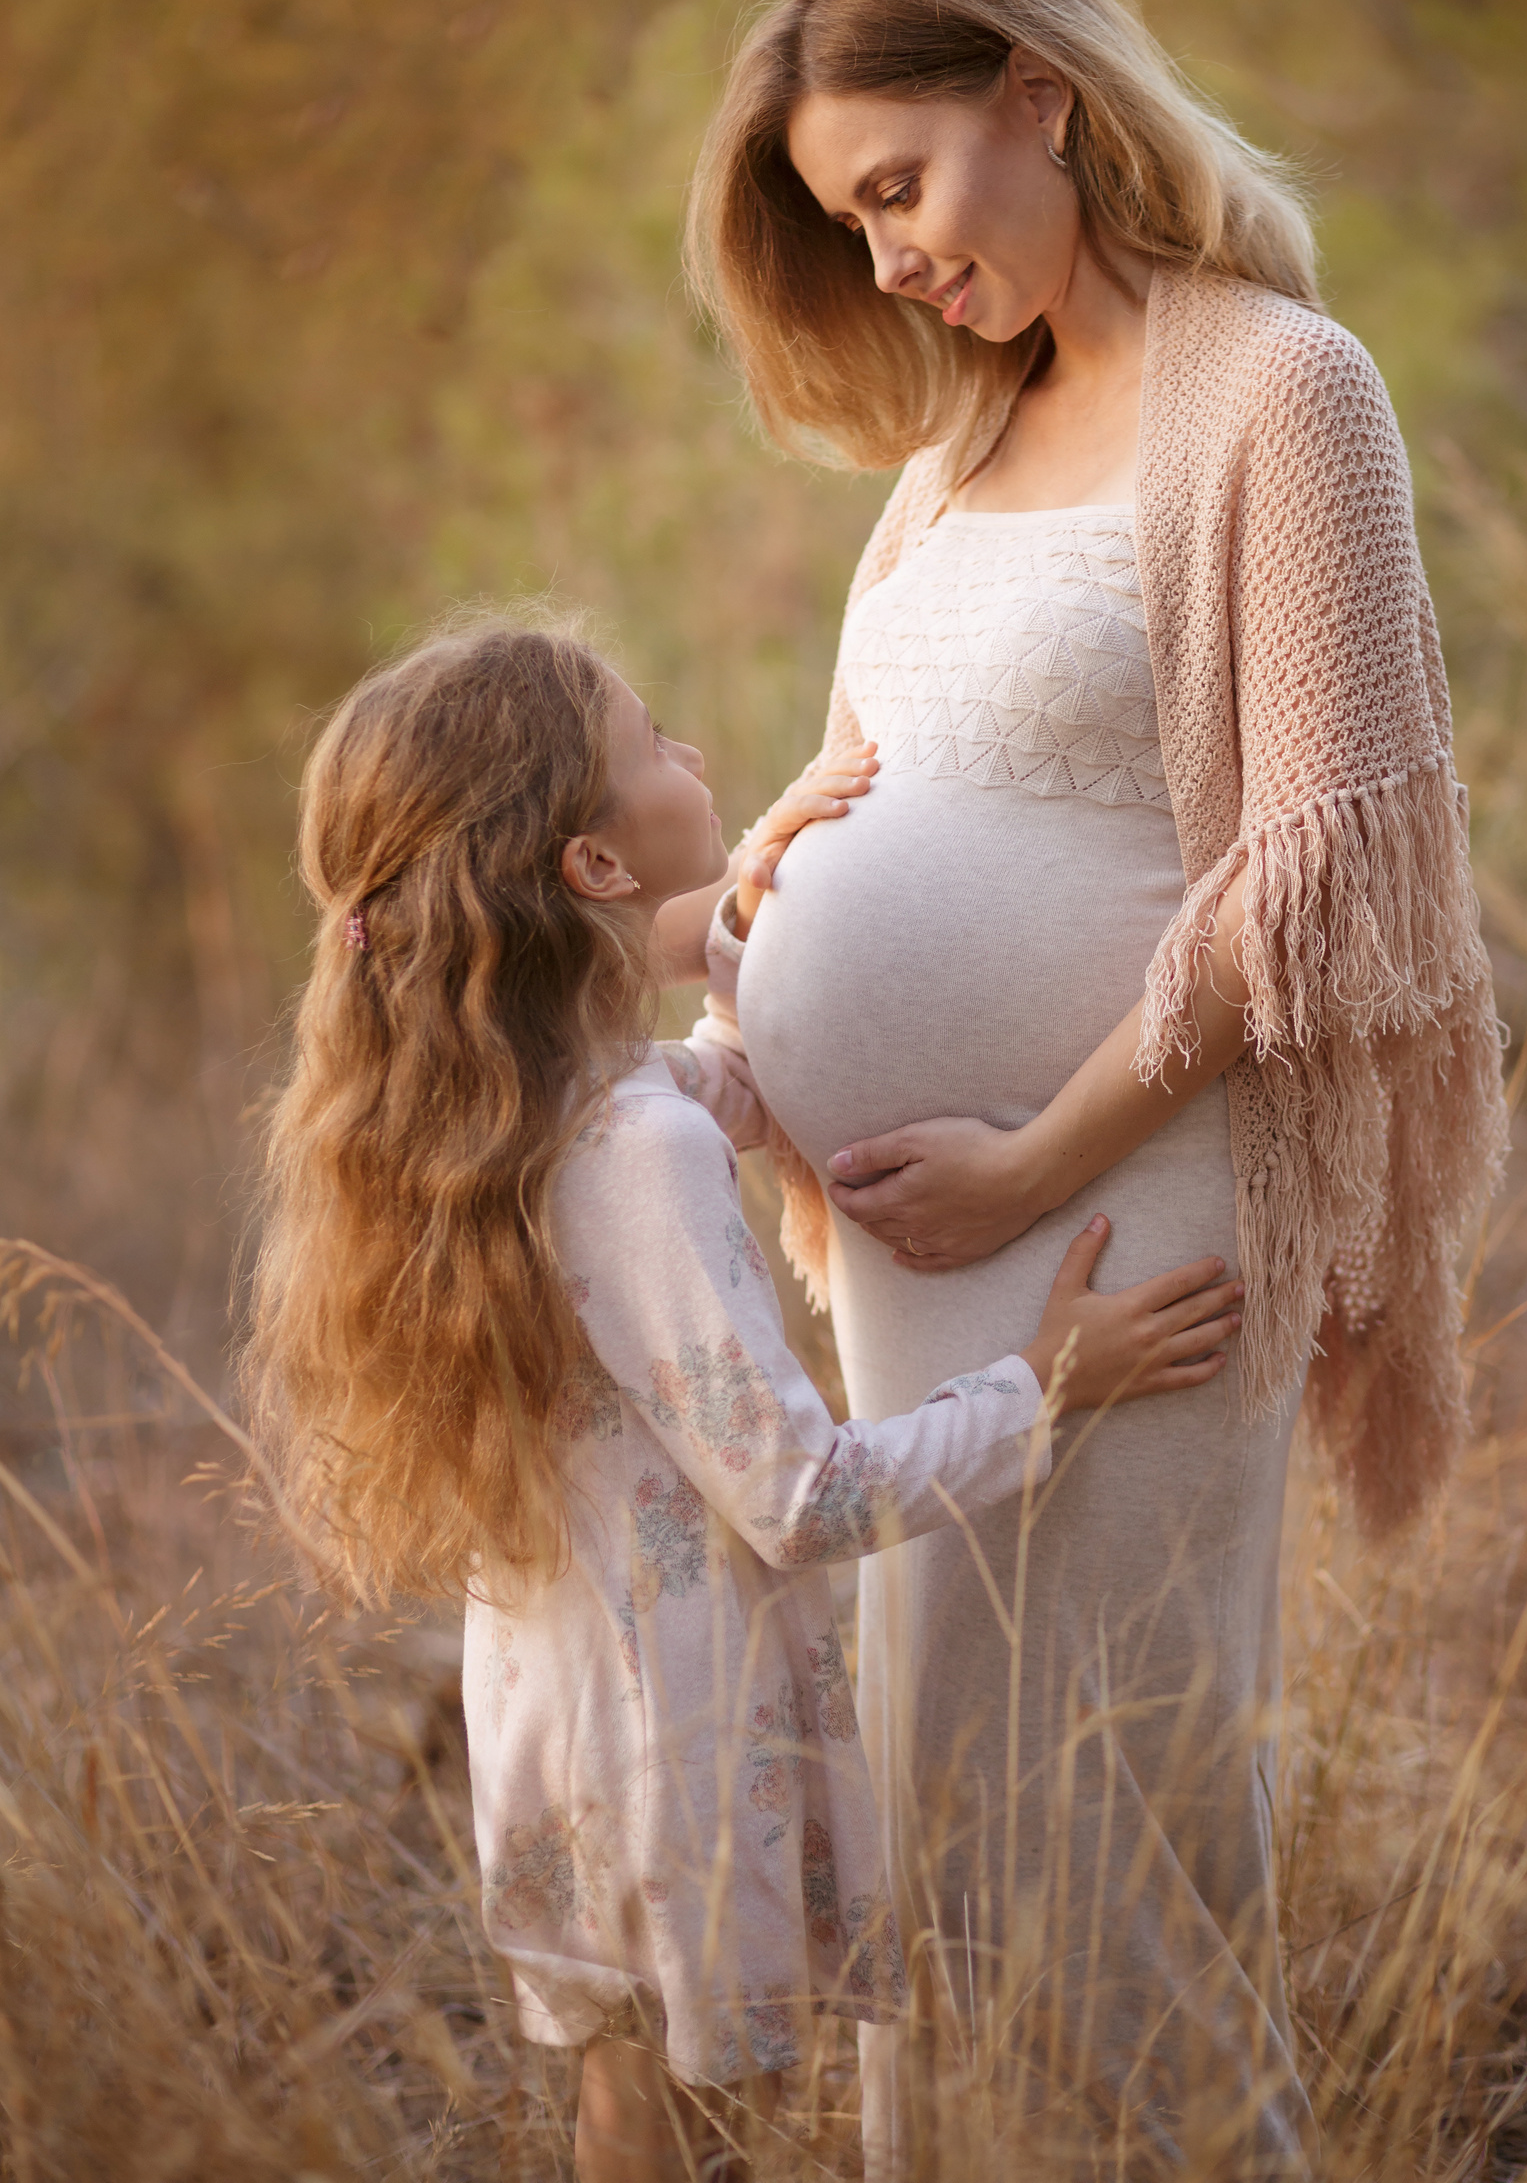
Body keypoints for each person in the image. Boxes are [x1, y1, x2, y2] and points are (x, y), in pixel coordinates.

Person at [677, 0, 1508, 2174]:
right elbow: (878, 770)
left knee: (1113, 1794)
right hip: (913, 1243)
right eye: (851, 226)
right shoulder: (947, 457)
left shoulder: (1275, 390)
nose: (891, 263)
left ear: (1036, 89)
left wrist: (1034, 1158)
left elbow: (1315, 872)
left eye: (899, 187)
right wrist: (776, 865)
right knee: (933, 1786)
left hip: (1116, 1193)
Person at [242, 616, 1247, 2182]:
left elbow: (717, 1076)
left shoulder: (539, 1119)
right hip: (683, 1741)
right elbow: (803, 1495)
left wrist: (766, 882)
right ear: (591, 867)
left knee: (630, 2110)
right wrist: (1046, 1383)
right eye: (655, 752)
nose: (698, 762)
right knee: (712, 2135)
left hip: (569, 1708)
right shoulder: (628, 1157)